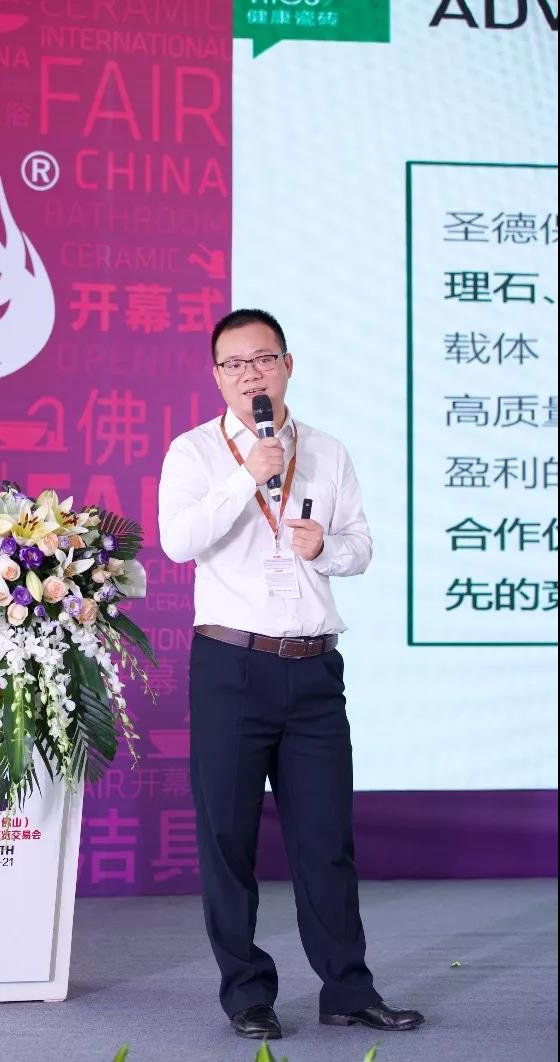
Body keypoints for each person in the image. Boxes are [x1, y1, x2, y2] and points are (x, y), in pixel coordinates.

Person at [158, 309, 424, 1040]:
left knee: (326, 840)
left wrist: (324, 547)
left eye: (263, 359)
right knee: (228, 840)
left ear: (287, 366)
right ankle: (247, 994)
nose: (251, 374)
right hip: (231, 667)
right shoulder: (193, 452)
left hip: (312, 672)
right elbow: (178, 540)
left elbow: (361, 546)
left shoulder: (328, 452)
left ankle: (348, 989)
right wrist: (244, 478)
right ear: (217, 376)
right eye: (235, 363)